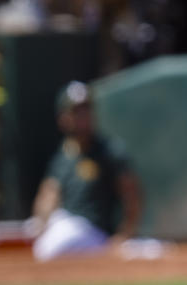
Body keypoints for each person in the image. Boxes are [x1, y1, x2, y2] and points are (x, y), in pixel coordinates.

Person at [30, 81, 142, 261]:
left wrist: (125, 234)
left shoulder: (108, 151)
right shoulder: (62, 156)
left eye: (86, 110)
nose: (83, 117)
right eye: (76, 111)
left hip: (93, 230)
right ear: (63, 117)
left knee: (50, 249)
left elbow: (132, 194)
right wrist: (39, 225)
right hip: (63, 222)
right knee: (46, 238)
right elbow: (48, 194)